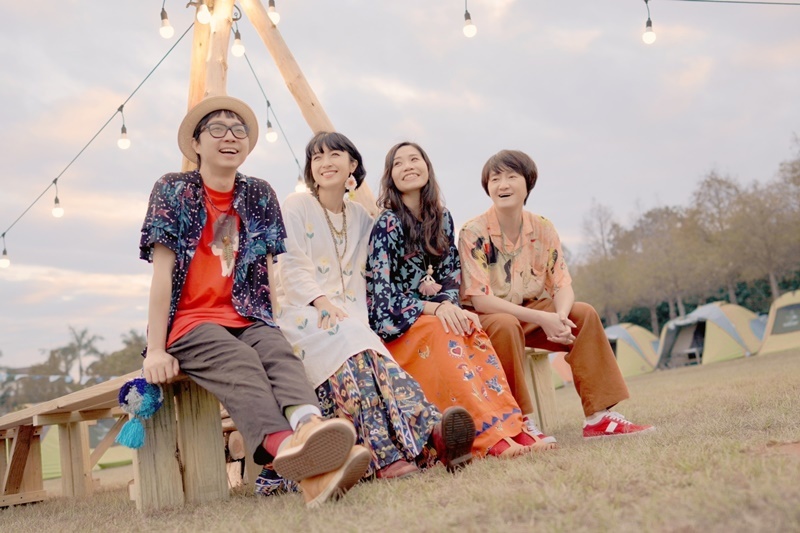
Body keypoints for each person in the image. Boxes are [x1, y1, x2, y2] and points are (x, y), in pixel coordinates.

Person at [138, 95, 370, 507]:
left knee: (278, 353)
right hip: (191, 323)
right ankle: (295, 453)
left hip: (248, 314)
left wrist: (274, 325)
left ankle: (310, 431)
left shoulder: (259, 193)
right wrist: (155, 349)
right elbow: (162, 275)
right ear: (196, 143)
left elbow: (266, 272)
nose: (230, 136)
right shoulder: (173, 189)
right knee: (242, 361)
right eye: (217, 128)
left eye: (239, 130)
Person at [275, 132, 475, 479]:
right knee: (353, 340)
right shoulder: (296, 206)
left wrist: (430, 289)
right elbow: (290, 266)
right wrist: (322, 302)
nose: (325, 163)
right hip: (304, 314)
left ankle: (432, 436)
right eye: (317, 157)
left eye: (334, 155)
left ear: (352, 164)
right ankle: (398, 448)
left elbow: (391, 264)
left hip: (352, 318)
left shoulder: (362, 218)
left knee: (364, 346)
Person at [366, 141, 555, 459]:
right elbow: (381, 296)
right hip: (401, 324)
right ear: (390, 176)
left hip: (437, 315)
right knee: (443, 331)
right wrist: (435, 308)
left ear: (427, 168)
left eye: (415, 159)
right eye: (398, 163)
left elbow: (450, 274)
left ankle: (512, 427)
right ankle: (487, 438)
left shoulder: (442, 218)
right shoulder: (386, 224)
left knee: (469, 325)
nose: (408, 166)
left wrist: (449, 306)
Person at [458, 149, 655, 440]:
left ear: (528, 183)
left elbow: (562, 283)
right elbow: (480, 299)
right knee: (506, 324)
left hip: (527, 310)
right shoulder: (472, 232)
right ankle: (518, 423)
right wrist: (543, 318)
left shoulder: (543, 228)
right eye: (495, 179)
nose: (503, 185)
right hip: (487, 318)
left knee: (582, 314)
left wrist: (560, 317)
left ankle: (599, 417)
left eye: (511, 177)